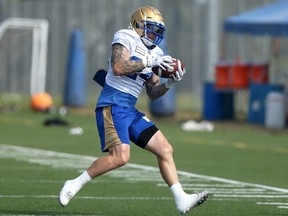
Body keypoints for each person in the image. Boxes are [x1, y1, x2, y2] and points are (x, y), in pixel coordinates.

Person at [59, 6, 210, 214]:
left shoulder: (156, 52)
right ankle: (75, 183)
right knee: (120, 157)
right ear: (138, 25)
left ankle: (181, 198)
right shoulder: (125, 36)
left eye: (158, 32)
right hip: (112, 105)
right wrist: (148, 61)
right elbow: (118, 67)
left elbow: (153, 92)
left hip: (129, 109)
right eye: (151, 30)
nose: (154, 36)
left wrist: (169, 83)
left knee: (165, 149)